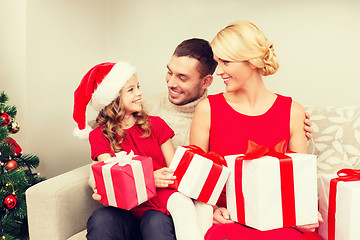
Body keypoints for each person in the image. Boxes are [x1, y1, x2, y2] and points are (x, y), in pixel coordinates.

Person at [87, 38, 314, 239]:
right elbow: (105, 131)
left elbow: (189, 175)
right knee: (102, 220)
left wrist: (299, 127)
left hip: (161, 207)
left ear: (206, 81)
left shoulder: (209, 113)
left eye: (182, 77)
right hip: (128, 206)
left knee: (156, 221)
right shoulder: (146, 107)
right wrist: (103, 178)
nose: (171, 83)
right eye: (169, 72)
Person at [189, 20, 323, 240]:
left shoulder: (293, 111)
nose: (219, 71)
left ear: (251, 61)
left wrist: (306, 215)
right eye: (217, 62)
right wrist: (210, 210)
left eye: (226, 62)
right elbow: (197, 181)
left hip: (280, 221)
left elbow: (299, 183)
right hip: (231, 220)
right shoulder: (208, 110)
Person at [73, 61, 213, 240]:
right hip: (125, 210)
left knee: (155, 222)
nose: (139, 93)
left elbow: (174, 171)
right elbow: (113, 177)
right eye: (130, 90)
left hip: (157, 209)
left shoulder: (156, 125)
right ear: (112, 98)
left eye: (138, 87)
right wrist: (149, 179)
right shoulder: (99, 136)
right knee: (101, 219)